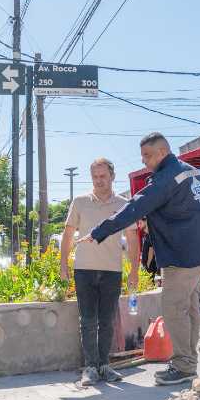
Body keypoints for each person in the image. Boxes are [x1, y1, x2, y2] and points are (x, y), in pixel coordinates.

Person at [80, 132, 200, 386]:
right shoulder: (192, 172)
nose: (144, 162)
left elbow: (133, 208)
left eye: (147, 156)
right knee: (190, 308)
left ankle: (184, 366)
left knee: (174, 309)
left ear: (162, 152)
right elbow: (183, 208)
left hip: (181, 255)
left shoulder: (165, 179)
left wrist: (98, 232)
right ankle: (189, 362)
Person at [62, 158, 139, 386]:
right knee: (87, 320)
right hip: (83, 270)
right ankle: (90, 368)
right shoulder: (80, 202)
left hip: (111, 270)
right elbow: (67, 235)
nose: (98, 181)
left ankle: (104, 366)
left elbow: (133, 238)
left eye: (103, 176)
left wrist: (134, 270)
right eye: (95, 177)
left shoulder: (124, 204)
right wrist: (63, 265)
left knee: (107, 320)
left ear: (112, 176)